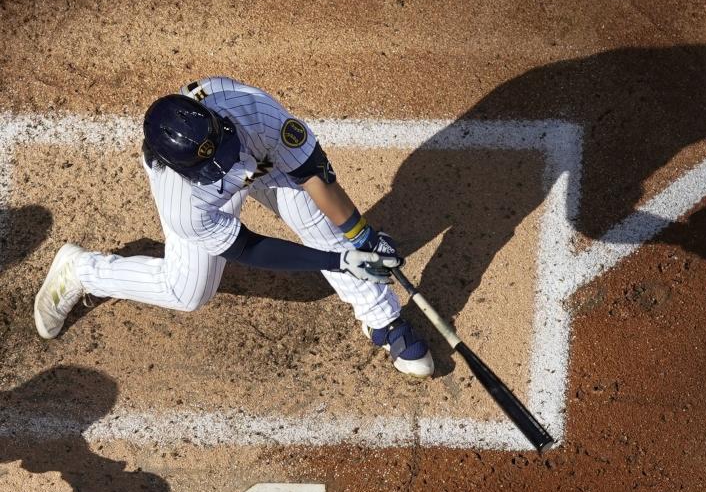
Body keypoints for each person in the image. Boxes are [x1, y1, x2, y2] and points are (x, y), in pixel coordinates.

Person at [33, 77, 433, 377]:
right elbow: (248, 247)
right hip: (205, 198)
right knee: (186, 292)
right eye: (217, 164)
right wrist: (340, 260)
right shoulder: (182, 203)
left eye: (223, 149)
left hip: (265, 158)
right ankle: (82, 271)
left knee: (319, 221)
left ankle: (382, 318)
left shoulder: (253, 111)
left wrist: (359, 235)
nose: (231, 167)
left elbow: (315, 176)